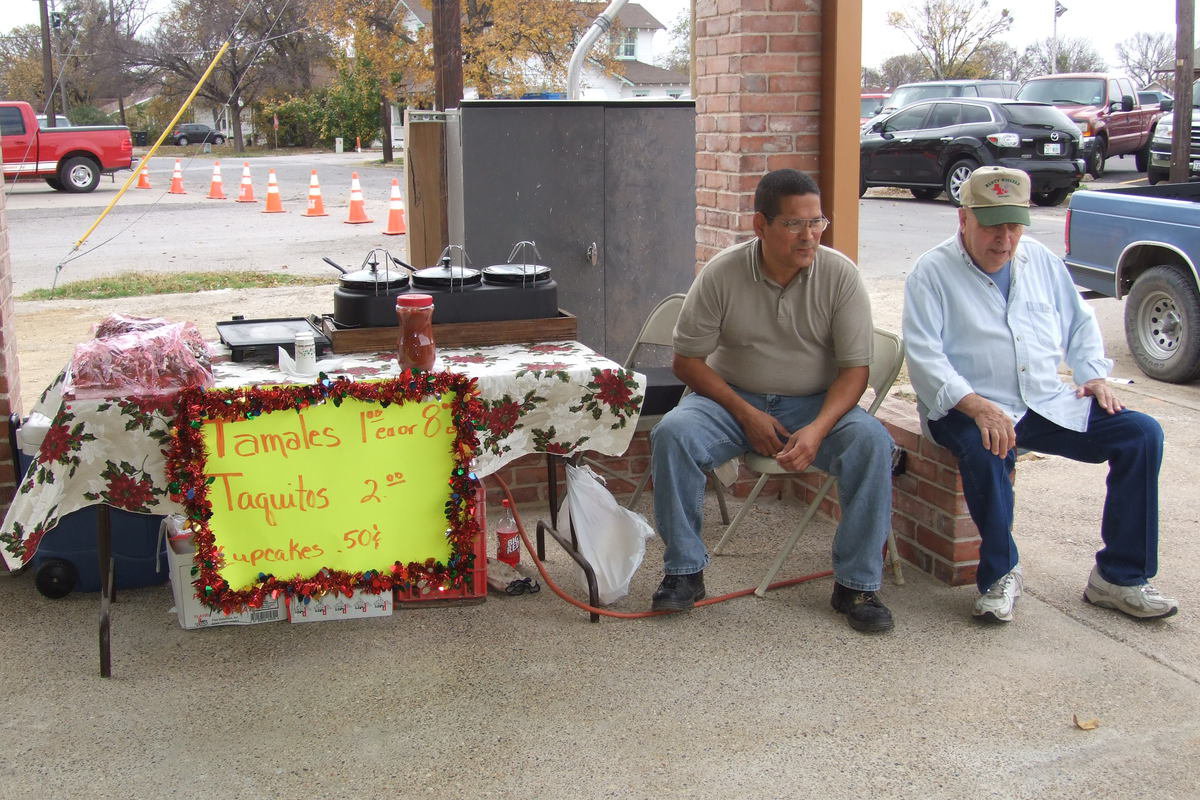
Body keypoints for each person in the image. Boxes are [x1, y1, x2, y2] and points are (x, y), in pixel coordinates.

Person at [903, 165, 1178, 623]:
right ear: (963, 219)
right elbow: (925, 358)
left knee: (1140, 434)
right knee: (985, 445)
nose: (1004, 240)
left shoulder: (1039, 261)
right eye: (992, 226)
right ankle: (1000, 574)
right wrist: (977, 406)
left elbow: (1079, 321)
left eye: (1014, 226)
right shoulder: (932, 272)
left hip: (1041, 400)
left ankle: (1119, 577)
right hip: (961, 405)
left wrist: (1093, 375)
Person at [648, 168, 896, 633]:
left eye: (817, 222)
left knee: (873, 443)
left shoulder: (840, 275)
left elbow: (855, 372)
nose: (809, 236)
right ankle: (684, 571)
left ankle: (857, 584)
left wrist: (819, 427)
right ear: (760, 225)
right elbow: (687, 362)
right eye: (793, 224)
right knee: (673, 434)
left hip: (815, 403)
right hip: (729, 399)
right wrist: (746, 413)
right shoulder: (723, 272)